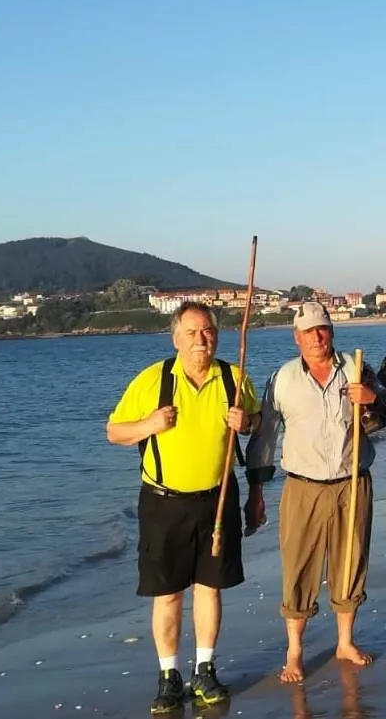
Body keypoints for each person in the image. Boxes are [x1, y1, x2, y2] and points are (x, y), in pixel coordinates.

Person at [105, 301, 262, 714]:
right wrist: (150, 425)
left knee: (210, 589)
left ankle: (205, 669)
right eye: (191, 332)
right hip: (163, 503)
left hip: (217, 498)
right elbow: (114, 432)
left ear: (217, 335)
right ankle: (169, 677)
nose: (200, 339)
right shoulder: (154, 380)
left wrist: (246, 423)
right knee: (168, 593)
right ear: (175, 337)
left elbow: (259, 422)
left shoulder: (234, 377)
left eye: (208, 331)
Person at [245, 301, 386, 681]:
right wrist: (256, 489)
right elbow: (265, 436)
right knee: (298, 566)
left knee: (351, 560)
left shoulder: (357, 368)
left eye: (323, 329)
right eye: (309, 331)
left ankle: (345, 641)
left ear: (332, 331)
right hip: (303, 486)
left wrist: (373, 399)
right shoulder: (282, 378)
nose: (317, 336)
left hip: (351, 481)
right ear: (296, 338)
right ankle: (295, 651)